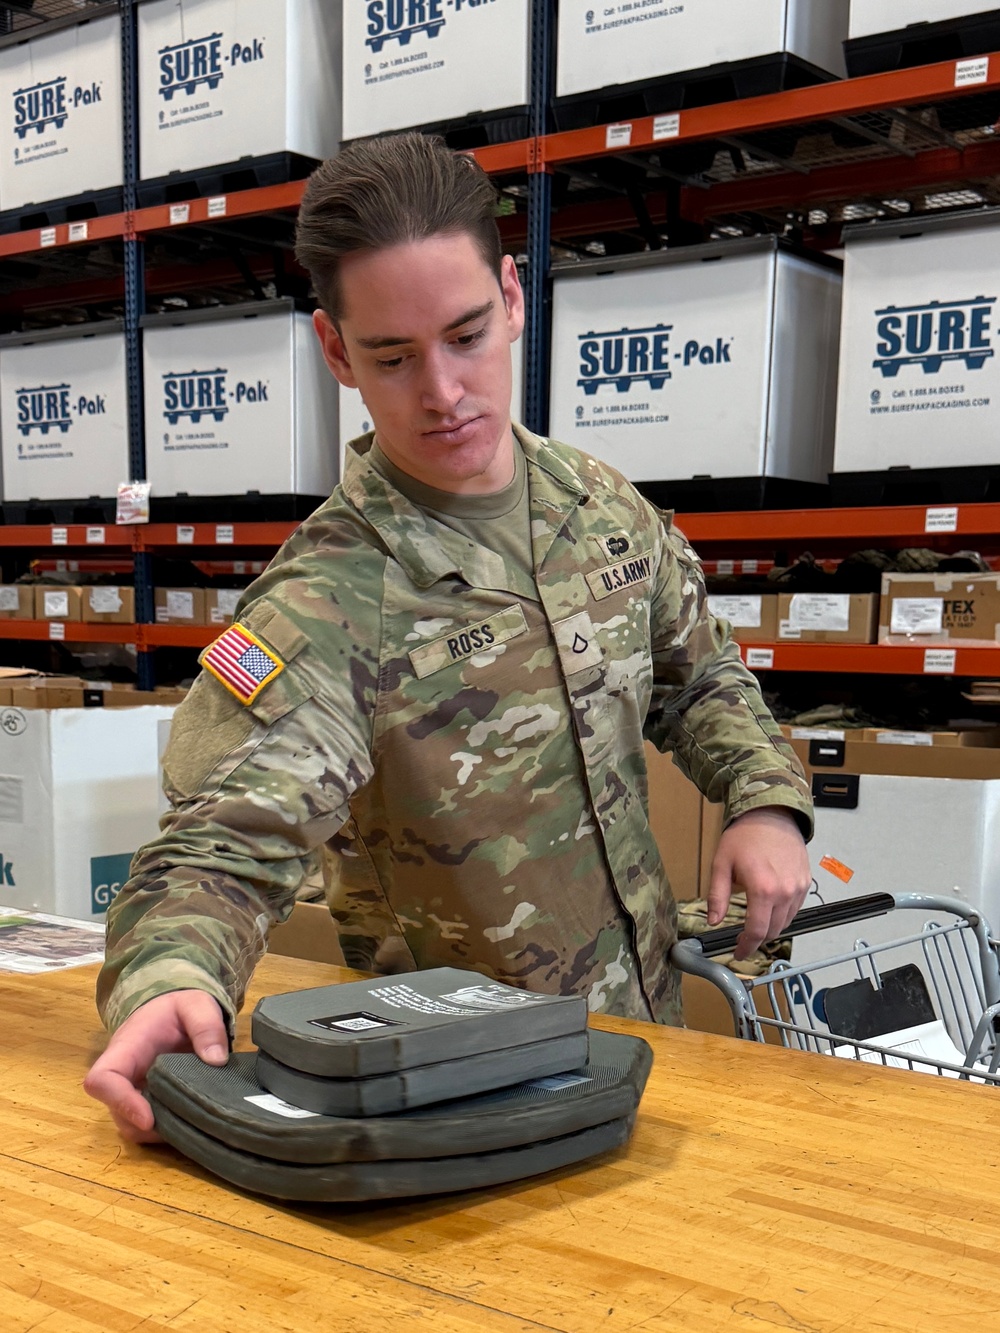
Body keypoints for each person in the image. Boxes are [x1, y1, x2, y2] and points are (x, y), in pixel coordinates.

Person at [85, 132, 813, 1142]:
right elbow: (219, 846)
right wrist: (169, 975)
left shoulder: (596, 506)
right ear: (336, 351)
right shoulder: (330, 602)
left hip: (638, 1049)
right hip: (450, 1102)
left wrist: (763, 799)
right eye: (392, 355)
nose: (442, 391)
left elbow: (699, 680)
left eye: (466, 335)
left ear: (512, 298)